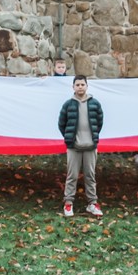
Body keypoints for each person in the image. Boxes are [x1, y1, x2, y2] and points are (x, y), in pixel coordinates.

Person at [58, 74, 104, 217]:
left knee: (90, 176)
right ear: (73, 87)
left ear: (86, 86)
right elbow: (61, 123)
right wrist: (69, 138)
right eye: (77, 85)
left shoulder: (95, 104)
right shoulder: (68, 104)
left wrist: (93, 137)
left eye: (82, 84)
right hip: (74, 147)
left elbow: (99, 122)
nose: (80, 87)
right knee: (72, 176)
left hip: (90, 147)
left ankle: (92, 203)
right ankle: (68, 204)